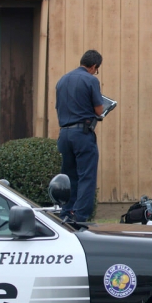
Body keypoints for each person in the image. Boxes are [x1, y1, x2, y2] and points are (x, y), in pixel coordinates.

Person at [55, 49, 104, 223]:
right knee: (86, 176)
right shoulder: (91, 80)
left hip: (64, 133)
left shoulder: (62, 80)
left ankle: (66, 213)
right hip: (82, 134)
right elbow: (99, 109)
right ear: (94, 66)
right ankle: (80, 216)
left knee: (68, 177)